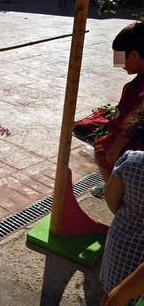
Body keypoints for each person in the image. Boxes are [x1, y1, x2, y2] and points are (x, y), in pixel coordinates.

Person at [91, 22, 144, 197]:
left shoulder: (138, 88)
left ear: (135, 55)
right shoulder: (134, 84)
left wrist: (113, 152)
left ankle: (115, 196)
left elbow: (135, 122)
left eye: (120, 58)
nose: (119, 64)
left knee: (102, 151)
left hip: (132, 146)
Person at [100, 148, 144, 306]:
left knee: (110, 295)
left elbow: (111, 199)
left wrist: (128, 217)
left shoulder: (133, 160)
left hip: (121, 250)